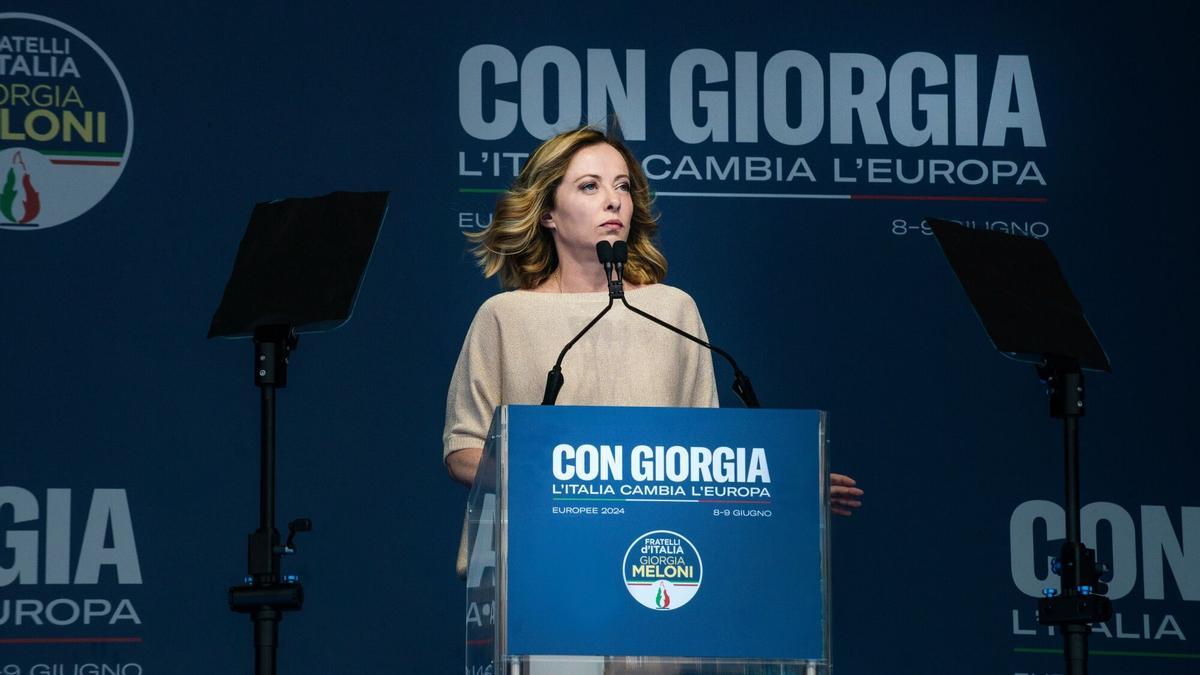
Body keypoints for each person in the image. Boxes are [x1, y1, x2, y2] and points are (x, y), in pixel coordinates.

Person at [443, 125, 862, 573]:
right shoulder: (505, 316)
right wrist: (551, 477)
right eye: (590, 186)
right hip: (543, 564)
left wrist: (789, 484)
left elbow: (707, 458)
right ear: (547, 212)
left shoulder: (672, 309)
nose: (614, 201)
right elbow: (464, 451)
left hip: (659, 561)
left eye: (622, 186)